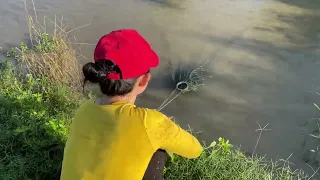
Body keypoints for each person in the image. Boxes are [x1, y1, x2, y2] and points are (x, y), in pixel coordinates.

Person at [60, 29, 203, 180]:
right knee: (158, 150)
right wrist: (162, 127)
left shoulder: (85, 108)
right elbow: (195, 150)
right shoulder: (150, 123)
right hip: (152, 127)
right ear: (144, 80)